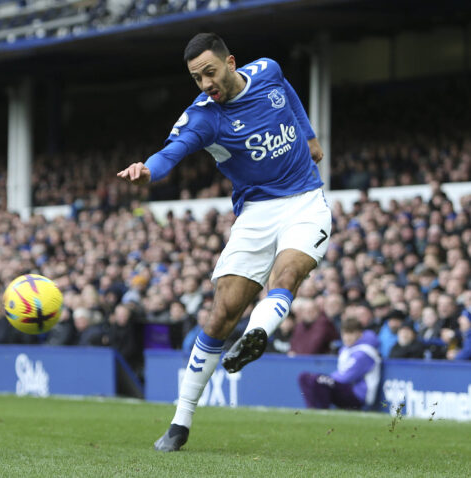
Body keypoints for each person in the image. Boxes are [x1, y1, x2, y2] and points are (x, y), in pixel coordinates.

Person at [117, 33, 331, 451]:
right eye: (196, 78)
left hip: (306, 201)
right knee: (219, 316)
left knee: (287, 272)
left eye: (209, 73)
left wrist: (307, 135)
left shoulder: (267, 70)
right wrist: (148, 171)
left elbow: (287, 90)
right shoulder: (205, 118)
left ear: (231, 63)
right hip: (255, 214)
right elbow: (172, 151)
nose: (204, 84)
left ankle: (258, 334)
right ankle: (180, 421)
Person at [297, 318, 381, 410]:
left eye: (350, 333)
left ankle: (322, 412)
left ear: (359, 334)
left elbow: (346, 377)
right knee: (304, 377)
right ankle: (312, 410)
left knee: (319, 380)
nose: (346, 337)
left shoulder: (365, 352)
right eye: (344, 333)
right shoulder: (346, 349)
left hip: (357, 396)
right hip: (345, 389)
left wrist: (325, 378)